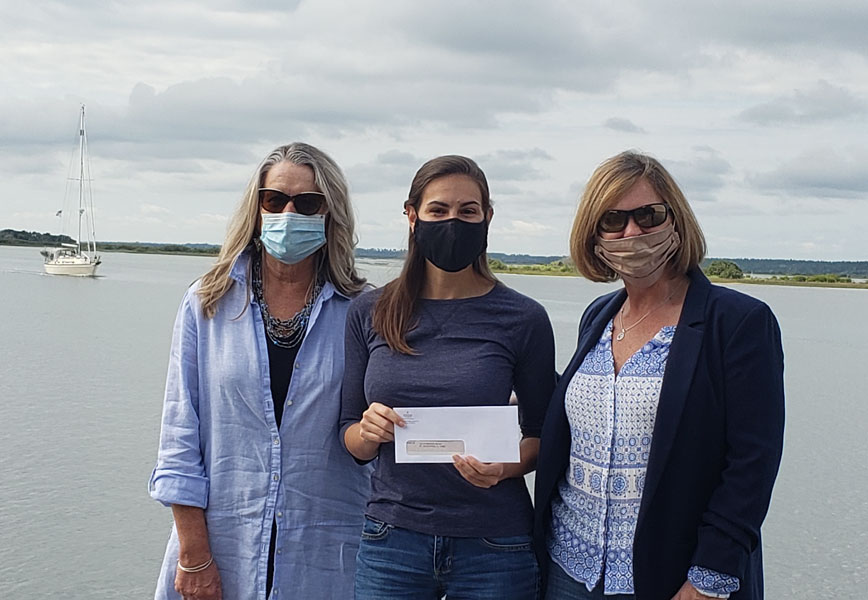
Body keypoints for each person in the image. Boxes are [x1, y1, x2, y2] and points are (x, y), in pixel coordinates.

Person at [533, 151, 784, 600]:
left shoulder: (739, 321)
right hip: (569, 567)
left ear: (676, 220)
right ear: (594, 235)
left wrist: (708, 579)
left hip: (669, 575)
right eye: (613, 220)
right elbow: (607, 410)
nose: (632, 232)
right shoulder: (598, 316)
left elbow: (752, 462)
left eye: (647, 215)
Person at [149, 142, 372, 600]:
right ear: (257, 209)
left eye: (307, 203)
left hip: (329, 553)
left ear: (331, 214)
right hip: (220, 548)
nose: (289, 212)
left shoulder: (366, 309)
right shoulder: (205, 304)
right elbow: (179, 438)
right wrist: (194, 554)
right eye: (275, 200)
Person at [339, 155, 556, 600]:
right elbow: (349, 437)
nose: (453, 222)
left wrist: (503, 469)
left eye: (467, 211)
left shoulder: (524, 318)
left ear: (487, 217)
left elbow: (541, 436)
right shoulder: (370, 311)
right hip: (391, 539)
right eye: (438, 210)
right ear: (412, 216)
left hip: (494, 544)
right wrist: (368, 431)